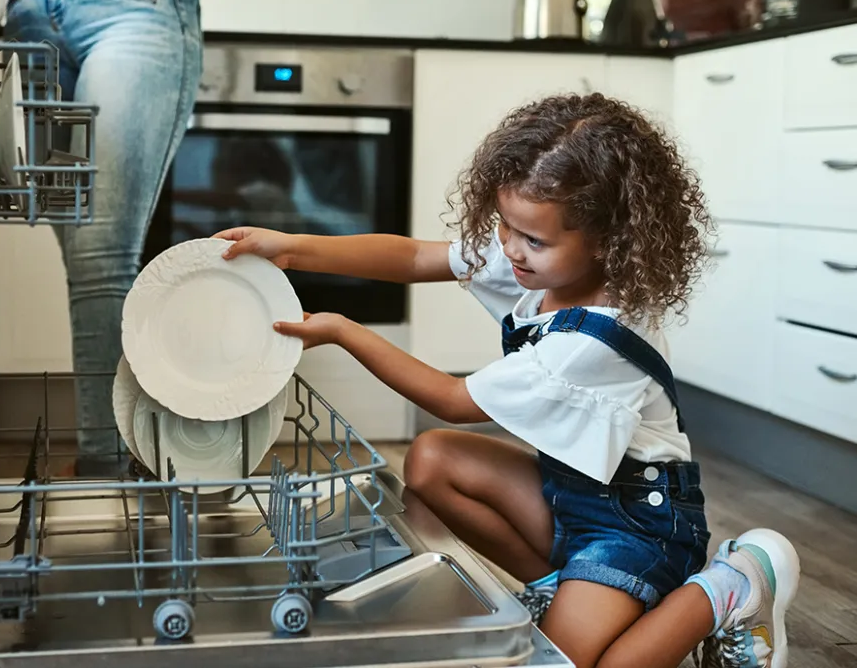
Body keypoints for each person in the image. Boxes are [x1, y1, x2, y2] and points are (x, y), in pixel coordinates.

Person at [215, 93, 800, 668]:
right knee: (433, 461)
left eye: (533, 240)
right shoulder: (543, 259)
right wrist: (293, 247)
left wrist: (345, 331)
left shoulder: (590, 340)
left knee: (569, 665)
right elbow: (417, 257)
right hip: (571, 494)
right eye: (504, 226)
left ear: (606, 242)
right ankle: (564, 589)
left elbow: (451, 399)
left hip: (641, 525)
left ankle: (729, 585)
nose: (510, 250)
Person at [0, 0, 230, 476]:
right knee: (85, 253)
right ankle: (130, 458)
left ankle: (105, 470)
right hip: (31, 9)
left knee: (102, 251)